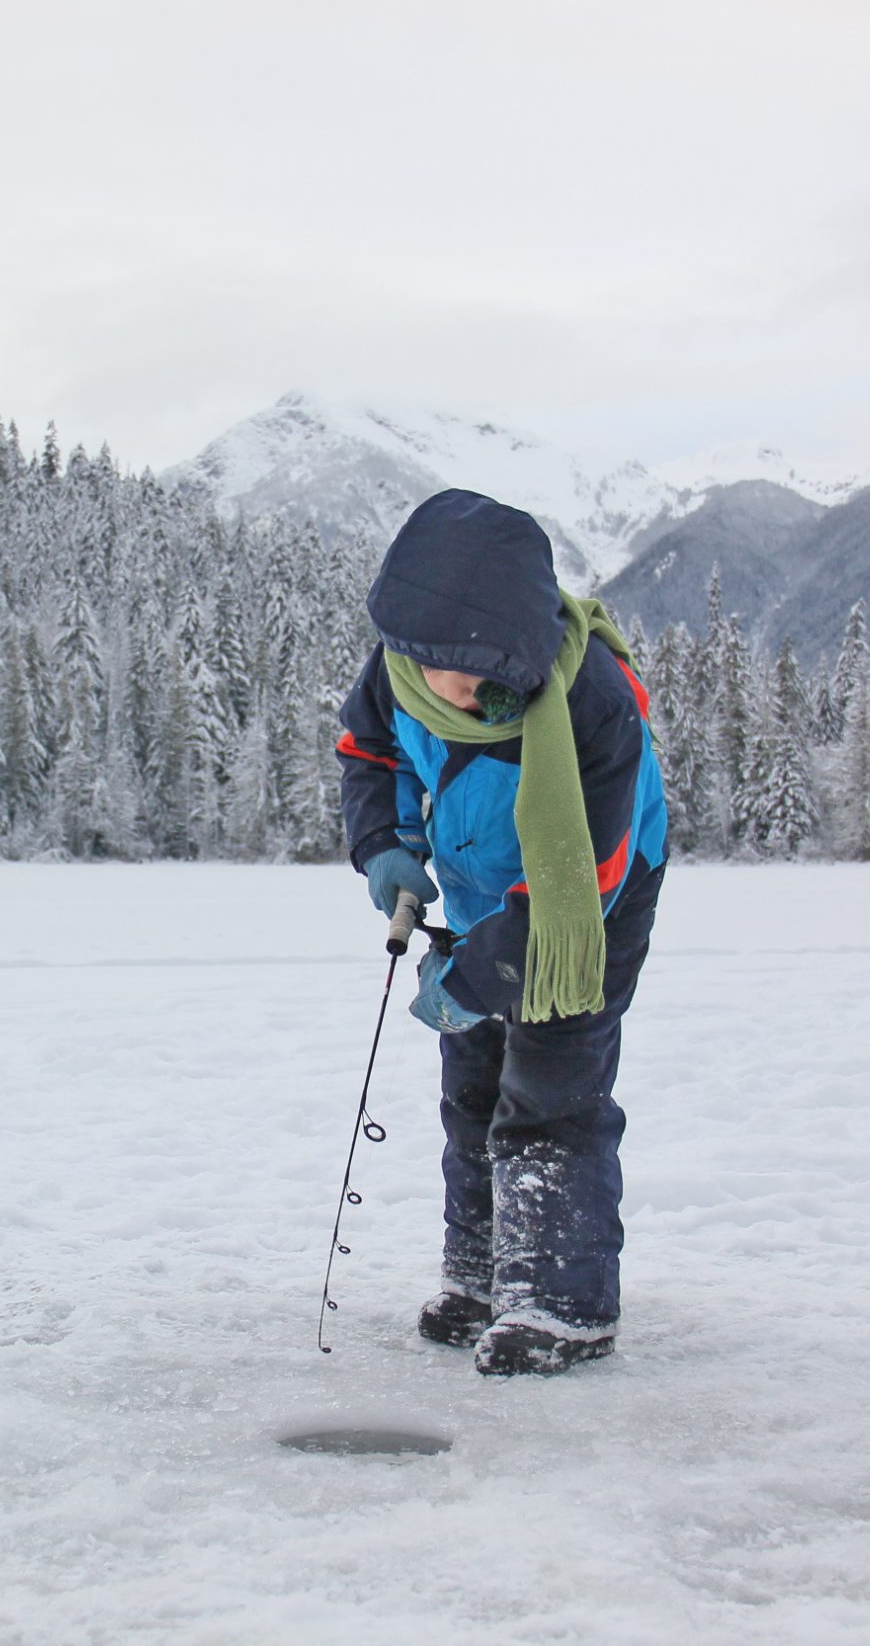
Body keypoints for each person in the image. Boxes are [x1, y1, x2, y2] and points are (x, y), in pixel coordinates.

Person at [335, 489, 668, 1376]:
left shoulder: (591, 703)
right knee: (473, 1083)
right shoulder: (402, 669)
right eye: (424, 661)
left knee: (549, 1084)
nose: (438, 681)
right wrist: (384, 846)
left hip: (584, 905)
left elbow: (574, 884)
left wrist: (482, 977)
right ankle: (483, 1271)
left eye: (462, 666)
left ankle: (561, 1301)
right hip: (484, 881)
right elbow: (375, 753)